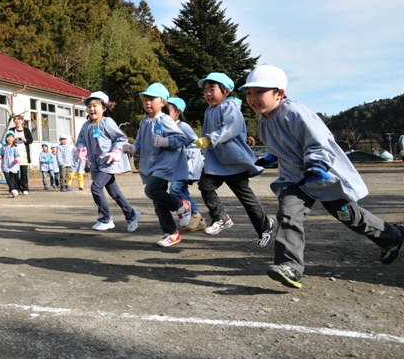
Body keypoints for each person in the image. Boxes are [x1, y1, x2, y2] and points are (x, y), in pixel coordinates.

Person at [240, 65, 404, 288]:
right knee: (288, 215)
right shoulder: (264, 120)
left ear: (279, 93)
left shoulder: (295, 112)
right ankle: (290, 267)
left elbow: (318, 140)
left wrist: (317, 165)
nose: (252, 98)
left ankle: (393, 237)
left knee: (349, 216)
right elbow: (283, 145)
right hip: (294, 179)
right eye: (249, 93)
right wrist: (271, 157)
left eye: (259, 92)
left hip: (321, 175)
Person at [194, 72, 275, 248]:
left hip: (234, 162)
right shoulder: (209, 110)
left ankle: (265, 227)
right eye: (205, 90)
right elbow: (206, 134)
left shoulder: (229, 107)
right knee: (205, 185)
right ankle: (221, 218)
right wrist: (202, 146)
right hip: (216, 162)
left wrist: (210, 139)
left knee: (246, 198)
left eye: (212, 89)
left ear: (226, 91)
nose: (207, 93)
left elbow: (231, 127)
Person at [129, 84, 192, 247]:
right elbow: (140, 141)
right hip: (151, 165)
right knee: (158, 201)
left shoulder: (165, 119)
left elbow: (181, 138)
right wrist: (132, 148)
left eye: (152, 99)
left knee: (151, 190)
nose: (147, 102)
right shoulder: (144, 121)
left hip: (165, 165)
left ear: (163, 102)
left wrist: (166, 141)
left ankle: (181, 205)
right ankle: (171, 233)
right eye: (145, 99)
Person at [76, 91, 140, 232]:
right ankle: (131, 214)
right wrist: (81, 148)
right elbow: (80, 140)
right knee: (114, 193)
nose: (92, 109)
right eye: (89, 106)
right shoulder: (86, 126)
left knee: (96, 187)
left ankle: (105, 219)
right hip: (96, 164)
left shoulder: (107, 123)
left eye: (95, 105)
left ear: (104, 108)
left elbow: (121, 138)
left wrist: (116, 151)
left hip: (109, 163)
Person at [164, 98, 207, 232]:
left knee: (175, 190)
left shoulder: (182, 126)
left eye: (167, 111)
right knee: (183, 190)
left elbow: (195, 142)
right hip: (178, 164)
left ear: (177, 112)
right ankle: (196, 218)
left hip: (187, 163)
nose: (164, 115)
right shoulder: (168, 126)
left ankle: (195, 215)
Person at [8, 114, 33, 194]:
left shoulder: (26, 130)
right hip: (14, 152)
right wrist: (13, 141)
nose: (17, 121)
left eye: (19, 119)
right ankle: (16, 188)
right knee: (14, 172)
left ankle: (24, 188)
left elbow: (31, 140)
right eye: (16, 119)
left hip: (24, 152)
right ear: (14, 121)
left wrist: (25, 140)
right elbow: (7, 139)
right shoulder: (11, 130)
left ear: (22, 121)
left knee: (24, 172)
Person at [0, 131, 21, 197]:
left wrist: (16, 160)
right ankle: (13, 190)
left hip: (13, 166)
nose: (9, 139)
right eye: (8, 137)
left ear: (13, 139)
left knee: (12, 179)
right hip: (5, 166)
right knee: (7, 179)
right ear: (6, 138)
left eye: (11, 137)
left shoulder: (15, 147)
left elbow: (18, 156)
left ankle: (11, 192)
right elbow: (0, 154)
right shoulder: (3, 147)